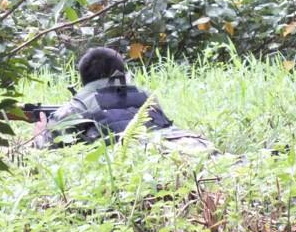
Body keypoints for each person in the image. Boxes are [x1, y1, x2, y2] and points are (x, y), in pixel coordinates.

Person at [32, 47, 213, 153]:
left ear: (84, 78)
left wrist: (40, 133)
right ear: (122, 73)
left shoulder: (77, 107)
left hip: (140, 153)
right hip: (189, 144)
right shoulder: (145, 96)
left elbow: (46, 151)